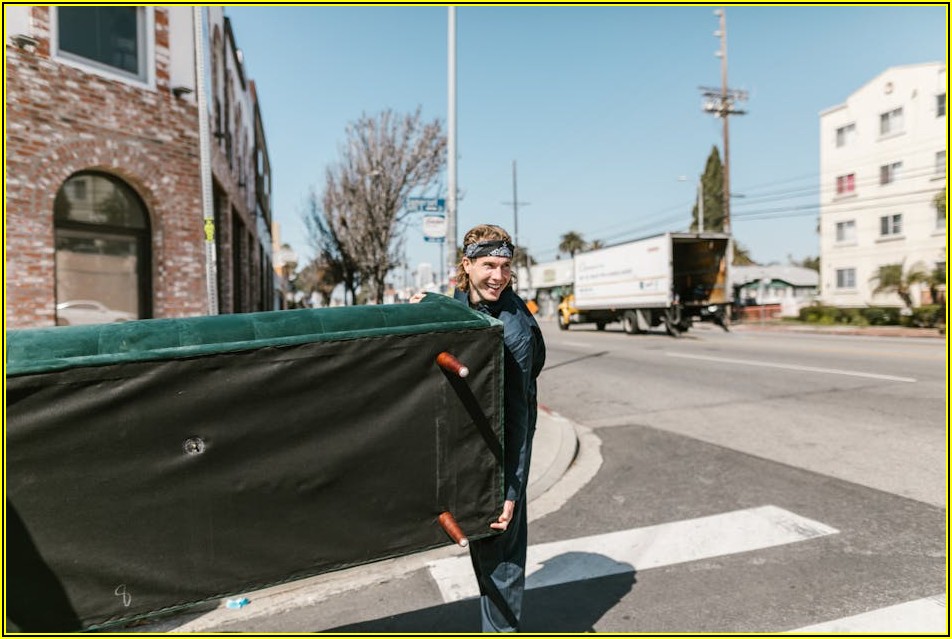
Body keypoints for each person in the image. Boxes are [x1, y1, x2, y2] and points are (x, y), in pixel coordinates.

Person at [412, 223, 545, 632]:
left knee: (501, 560)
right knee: (484, 550)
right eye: (489, 265)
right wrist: (429, 305)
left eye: (505, 267)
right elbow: (457, 312)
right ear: (466, 266)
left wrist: (511, 491)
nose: (498, 276)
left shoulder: (515, 332)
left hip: (504, 448)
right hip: (473, 442)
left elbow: (520, 418)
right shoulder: (463, 302)